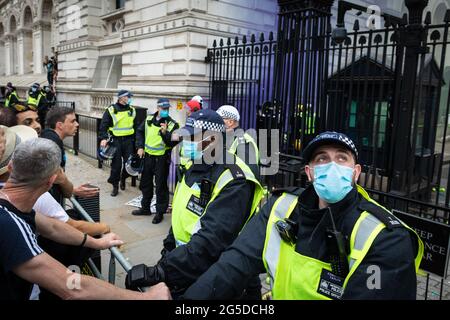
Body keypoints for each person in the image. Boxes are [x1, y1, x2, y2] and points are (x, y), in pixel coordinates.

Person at [183, 131, 424, 300]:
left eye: (342, 158)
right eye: (322, 159)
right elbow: (235, 263)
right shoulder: (282, 207)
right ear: (309, 173)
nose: (332, 166)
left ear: (356, 172)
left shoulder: (386, 237)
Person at [0, 137, 171, 300]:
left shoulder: (14, 206)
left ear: (10, 167)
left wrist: (96, 243)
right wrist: (147, 297)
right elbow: (71, 287)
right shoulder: (10, 224)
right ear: (51, 181)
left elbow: (52, 227)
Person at [125, 109, 264, 299]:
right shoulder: (194, 166)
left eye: (192, 138)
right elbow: (181, 218)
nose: (186, 143)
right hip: (185, 265)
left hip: (214, 276)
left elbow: (210, 242)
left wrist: (161, 271)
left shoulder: (234, 180)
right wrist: (168, 253)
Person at [131, 98, 179, 224]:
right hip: (147, 157)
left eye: (167, 109)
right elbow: (140, 133)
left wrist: (164, 133)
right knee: (145, 184)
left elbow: (173, 142)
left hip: (161, 159)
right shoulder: (148, 119)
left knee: (160, 186)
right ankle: (145, 208)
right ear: (157, 108)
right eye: (163, 108)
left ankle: (159, 212)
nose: (165, 111)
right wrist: (140, 147)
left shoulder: (173, 124)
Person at [42, 107, 98, 205]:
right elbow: (56, 177)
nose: (77, 124)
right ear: (60, 125)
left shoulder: (51, 138)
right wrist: (72, 190)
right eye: (73, 121)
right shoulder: (51, 142)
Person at [99, 90, 138, 197]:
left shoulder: (132, 110)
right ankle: (115, 186)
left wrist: (137, 143)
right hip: (115, 140)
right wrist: (103, 138)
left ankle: (123, 178)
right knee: (116, 165)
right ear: (121, 98)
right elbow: (104, 125)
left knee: (128, 164)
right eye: (128, 96)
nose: (130, 98)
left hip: (129, 141)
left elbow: (136, 127)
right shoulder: (111, 110)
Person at [217, 105, 260, 178]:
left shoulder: (243, 141)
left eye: (219, 119)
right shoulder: (227, 137)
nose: (216, 122)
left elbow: (249, 173)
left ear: (230, 122)